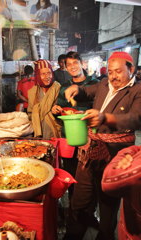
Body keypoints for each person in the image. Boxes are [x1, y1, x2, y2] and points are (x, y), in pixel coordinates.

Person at [63, 51, 141, 240]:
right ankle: (74, 233)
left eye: (118, 71)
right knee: (80, 198)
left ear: (131, 69)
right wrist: (75, 89)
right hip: (91, 153)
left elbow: (135, 119)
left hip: (114, 157)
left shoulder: (137, 91)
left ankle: (105, 236)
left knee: (108, 204)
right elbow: (85, 92)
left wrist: (104, 117)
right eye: (111, 72)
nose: (113, 76)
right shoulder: (104, 84)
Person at [52, 51, 98, 198]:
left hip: (90, 138)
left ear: (81, 63)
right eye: (69, 64)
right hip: (70, 138)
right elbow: (59, 110)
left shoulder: (94, 84)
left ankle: (89, 211)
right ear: (65, 67)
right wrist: (55, 110)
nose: (72, 67)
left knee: (90, 177)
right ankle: (73, 211)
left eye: (75, 63)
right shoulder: (64, 87)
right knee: (71, 175)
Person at [27, 59, 61, 139]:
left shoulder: (58, 88)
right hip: (38, 132)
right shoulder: (33, 92)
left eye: (49, 73)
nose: (47, 77)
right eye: (43, 74)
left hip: (54, 131)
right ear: (38, 75)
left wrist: (56, 111)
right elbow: (30, 114)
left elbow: (64, 109)